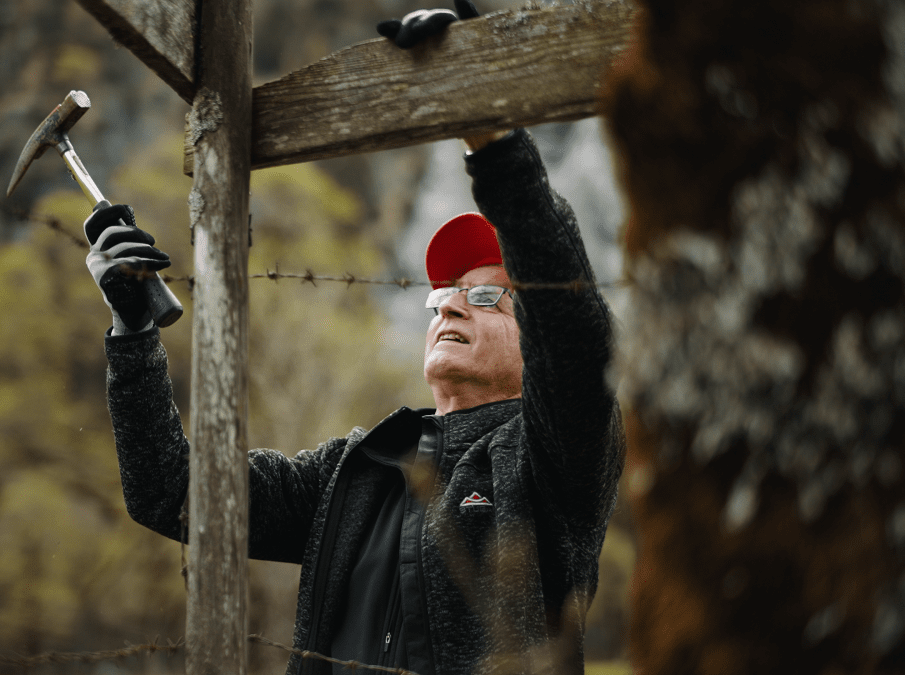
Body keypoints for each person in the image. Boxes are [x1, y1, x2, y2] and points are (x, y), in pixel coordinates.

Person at [81, 5, 624, 674]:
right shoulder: (358, 467)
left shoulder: (557, 455)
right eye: (442, 294)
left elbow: (573, 335)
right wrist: (133, 331)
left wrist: (488, 121)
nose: (452, 302)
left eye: (485, 295)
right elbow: (170, 491)